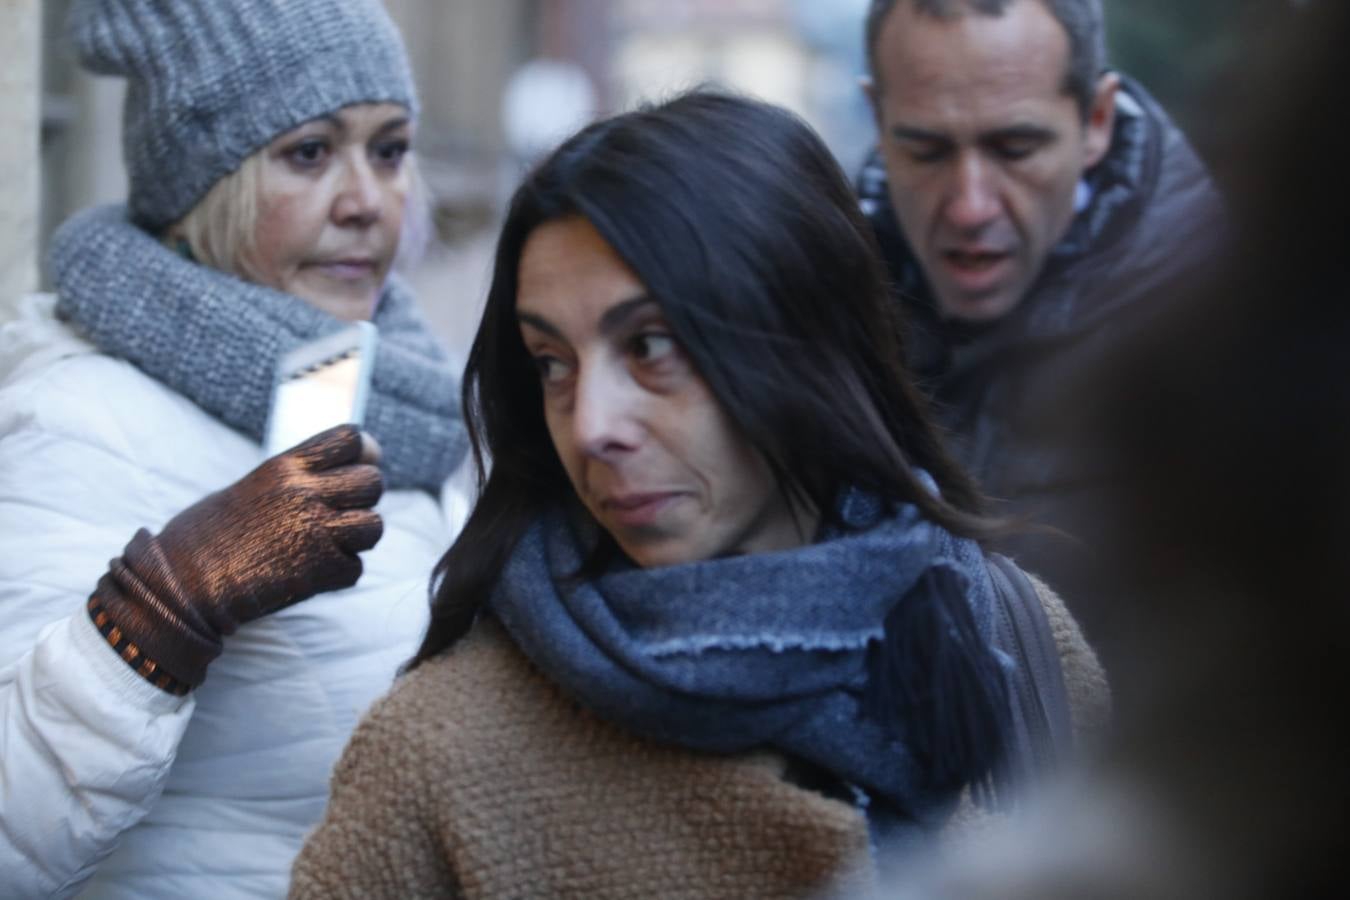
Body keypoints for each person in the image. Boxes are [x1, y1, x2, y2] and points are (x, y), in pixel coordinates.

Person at [288, 91, 1109, 899]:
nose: (591, 425)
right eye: (551, 362)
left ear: (802, 345)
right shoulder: (441, 748)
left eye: (650, 346)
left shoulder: (1011, 643)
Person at [0, 0, 467, 896]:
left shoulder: (407, 389)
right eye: (309, 152)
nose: (368, 202)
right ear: (200, 183)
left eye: (390, 148)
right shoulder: (76, 417)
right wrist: (160, 609)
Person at [856, 0, 1223, 669]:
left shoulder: (1229, 340)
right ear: (877, 120)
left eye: (1015, 148)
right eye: (926, 150)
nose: (970, 204)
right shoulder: (823, 313)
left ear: (1098, 120)